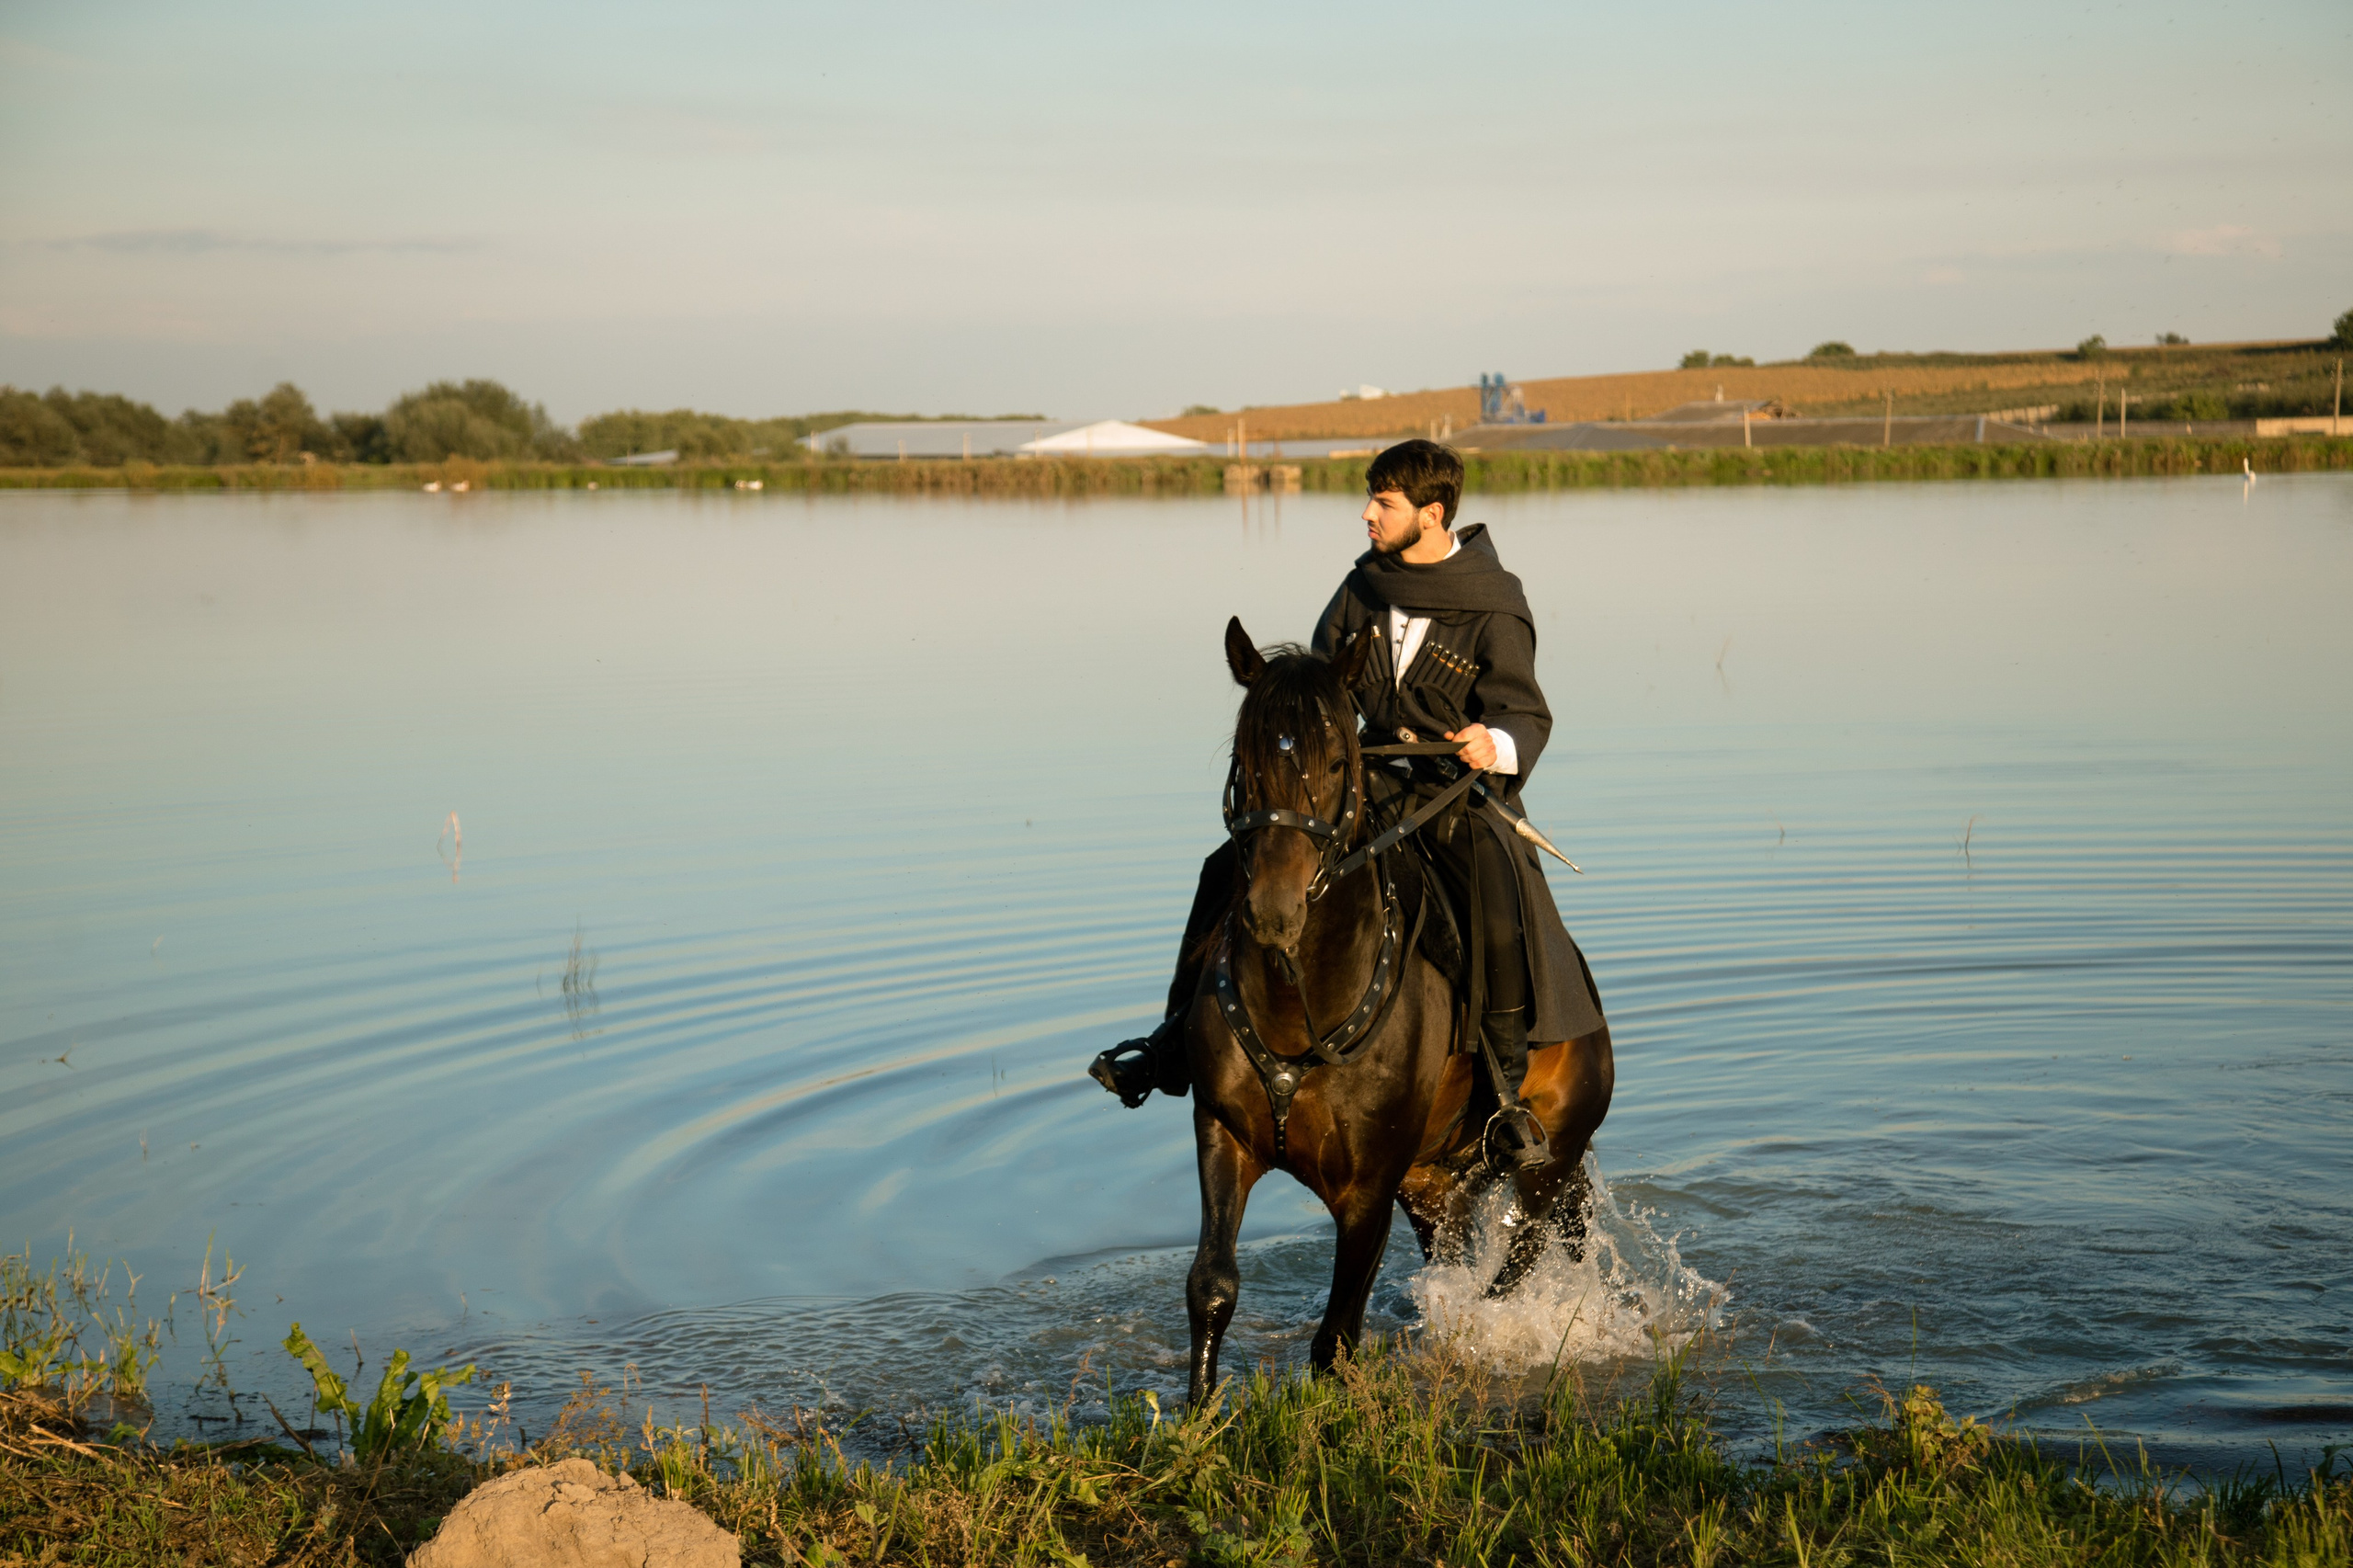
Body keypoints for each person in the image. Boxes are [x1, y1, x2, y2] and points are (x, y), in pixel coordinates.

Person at [1088, 439, 1604, 1166]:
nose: (1367, 515)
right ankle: (1174, 1042)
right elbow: (1326, 688)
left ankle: (1507, 1092)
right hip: (1363, 783)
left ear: (1431, 514)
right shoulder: (1362, 589)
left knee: (1492, 879)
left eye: (1383, 504)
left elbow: (1529, 715)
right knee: (1224, 866)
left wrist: (1495, 742)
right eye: (1371, 499)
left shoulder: (1496, 602)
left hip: (1453, 795)